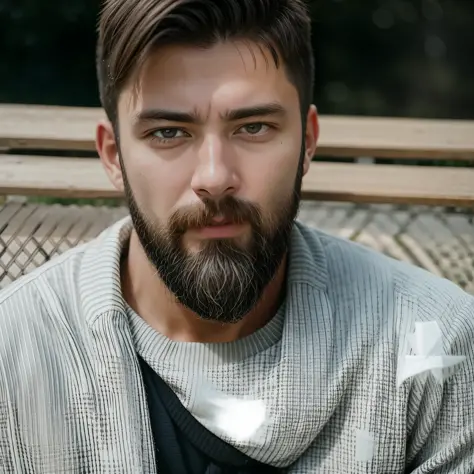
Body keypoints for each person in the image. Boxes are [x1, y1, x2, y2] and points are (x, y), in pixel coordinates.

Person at [1, 0, 473, 472]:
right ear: (113, 155)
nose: (214, 177)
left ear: (307, 142)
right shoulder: (13, 355)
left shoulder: (431, 345)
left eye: (253, 127)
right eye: (168, 132)